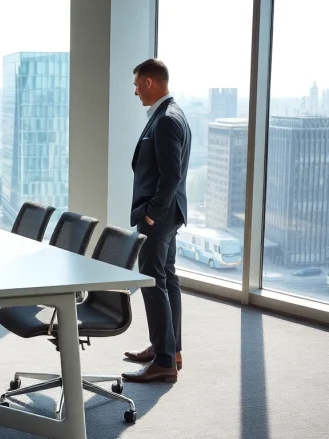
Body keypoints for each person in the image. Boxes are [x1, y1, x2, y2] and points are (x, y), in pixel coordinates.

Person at [122, 59, 191, 383]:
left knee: (153, 281)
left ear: (150, 82)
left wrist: (152, 212)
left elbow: (172, 174)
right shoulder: (172, 114)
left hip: (159, 217)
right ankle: (169, 349)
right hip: (168, 214)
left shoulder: (166, 120)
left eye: (137, 84)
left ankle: (164, 361)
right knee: (167, 278)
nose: (135, 91)